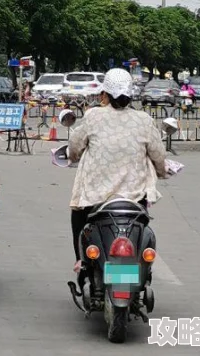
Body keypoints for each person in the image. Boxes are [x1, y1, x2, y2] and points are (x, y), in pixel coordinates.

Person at [67, 68, 167, 273]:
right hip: (134, 199)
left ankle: (81, 260)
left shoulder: (93, 116)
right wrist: (162, 171)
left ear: (105, 93)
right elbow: (159, 157)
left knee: (77, 213)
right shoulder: (144, 120)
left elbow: (74, 149)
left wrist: (72, 155)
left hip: (95, 198)